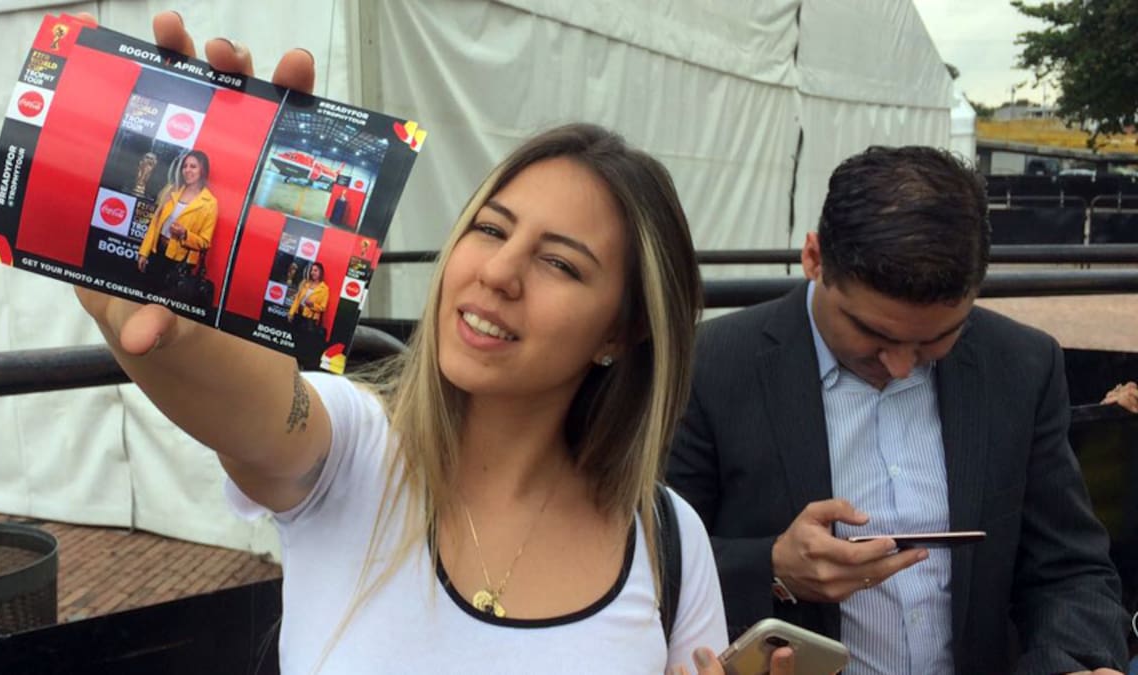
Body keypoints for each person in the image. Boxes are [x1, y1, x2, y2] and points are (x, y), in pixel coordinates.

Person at [74, 12, 796, 673]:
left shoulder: (668, 540)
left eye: (559, 263)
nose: (499, 272)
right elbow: (255, 413)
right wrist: (176, 318)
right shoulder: (355, 451)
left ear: (620, 330)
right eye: (490, 228)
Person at [667, 145, 1130, 674]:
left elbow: (1068, 568)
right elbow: (647, 561)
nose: (903, 366)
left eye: (937, 339)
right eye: (873, 334)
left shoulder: (1020, 364)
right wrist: (772, 568)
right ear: (814, 258)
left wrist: (1075, 663)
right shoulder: (709, 366)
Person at [137, 149, 218, 290]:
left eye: (193, 166)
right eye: (185, 166)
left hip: (179, 262)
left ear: (203, 170)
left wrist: (184, 234)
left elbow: (205, 243)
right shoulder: (172, 191)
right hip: (156, 254)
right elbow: (154, 223)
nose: (187, 170)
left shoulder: (210, 203)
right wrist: (144, 252)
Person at [287, 262, 329, 339]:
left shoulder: (324, 289)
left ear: (320, 272)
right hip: (298, 315)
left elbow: (323, 308)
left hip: (309, 320)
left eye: (315, 270)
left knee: (304, 339)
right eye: (312, 270)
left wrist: (312, 305)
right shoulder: (306, 284)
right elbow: (297, 299)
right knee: (293, 337)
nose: (313, 272)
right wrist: (291, 312)